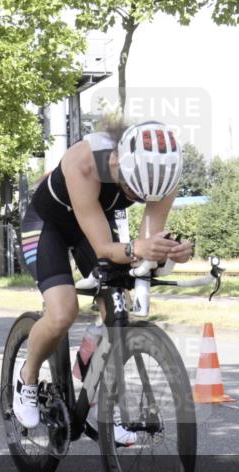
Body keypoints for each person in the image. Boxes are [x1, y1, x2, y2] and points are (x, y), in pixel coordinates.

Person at [14, 120, 192, 445]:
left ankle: (99, 395)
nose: (136, 198)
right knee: (62, 312)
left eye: (143, 196)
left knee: (115, 314)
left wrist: (169, 251)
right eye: (132, 191)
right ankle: (27, 378)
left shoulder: (163, 176)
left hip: (92, 222)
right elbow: (105, 249)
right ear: (119, 165)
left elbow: (145, 246)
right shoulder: (85, 162)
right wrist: (138, 249)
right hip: (48, 226)